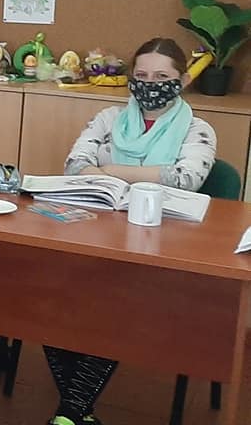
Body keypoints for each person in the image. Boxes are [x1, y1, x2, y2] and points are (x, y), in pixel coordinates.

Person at [47, 37, 215, 425]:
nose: (150, 84)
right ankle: (76, 413)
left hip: (161, 249)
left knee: (115, 306)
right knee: (47, 298)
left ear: (182, 80)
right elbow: (74, 166)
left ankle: (70, 412)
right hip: (96, 236)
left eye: (161, 77)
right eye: (142, 75)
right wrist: (140, 175)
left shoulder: (197, 129)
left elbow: (185, 178)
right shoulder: (108, 119)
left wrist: (109, 171)